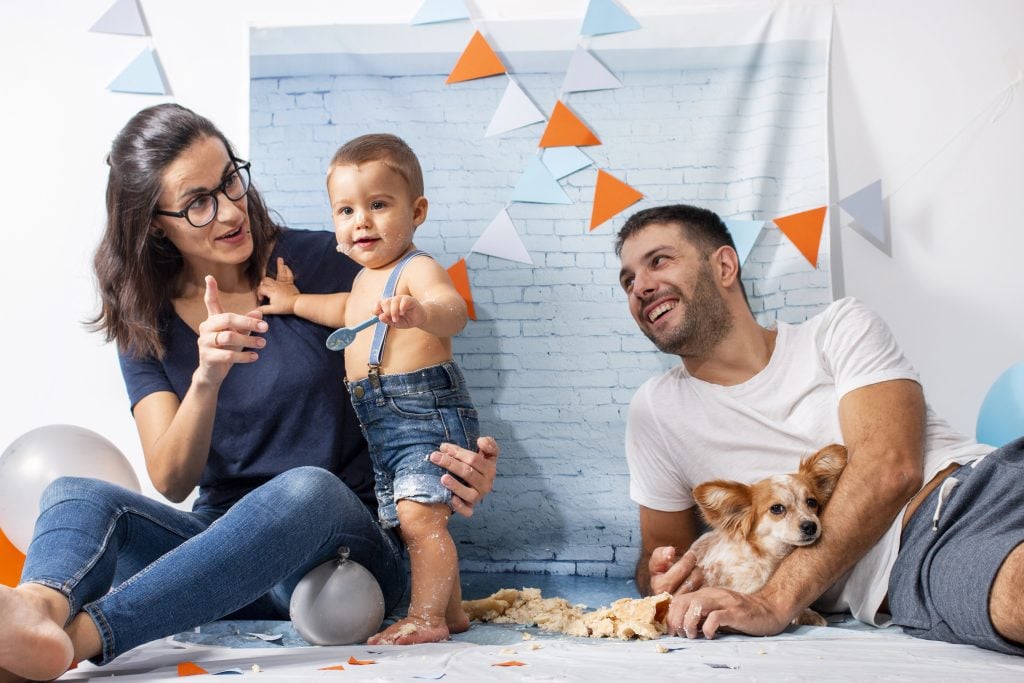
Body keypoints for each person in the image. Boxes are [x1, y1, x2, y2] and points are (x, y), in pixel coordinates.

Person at [0, 103, 498, 682]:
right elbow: (172, 480)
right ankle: (35, 613)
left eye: (230, 181)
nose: (231, 210)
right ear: (154, 223)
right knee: (73, 492)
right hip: (213, 560)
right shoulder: (146, 319)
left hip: (340, 552)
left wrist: (457, 457)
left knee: (307, 488)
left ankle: (78, 641)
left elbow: (427, 365)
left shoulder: (337, 260)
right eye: (198, 202)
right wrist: (206, 377)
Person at [615, 203, 1023, 655]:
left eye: (659, 261)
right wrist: (664, 577)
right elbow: (662, 553)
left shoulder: (838, 329)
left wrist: (773, 601)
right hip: (922, 556)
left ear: (725, 266)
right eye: (628, 281)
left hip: (977, 488)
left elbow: (891, 468)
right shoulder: (655, 411)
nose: (641, 287)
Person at [257, 133, 476, 645]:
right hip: (381, 420)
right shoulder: (362, 281)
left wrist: (421, 312)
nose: (362, 221)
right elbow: (340, 310)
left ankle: (427, 618)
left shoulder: (417, 269)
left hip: (423, 410)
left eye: (378, 205)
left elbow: (455, 311)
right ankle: (451, 611)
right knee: (410, 519)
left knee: (421, 518)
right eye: (346, 210)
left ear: (416, 211)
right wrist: (293, 302)